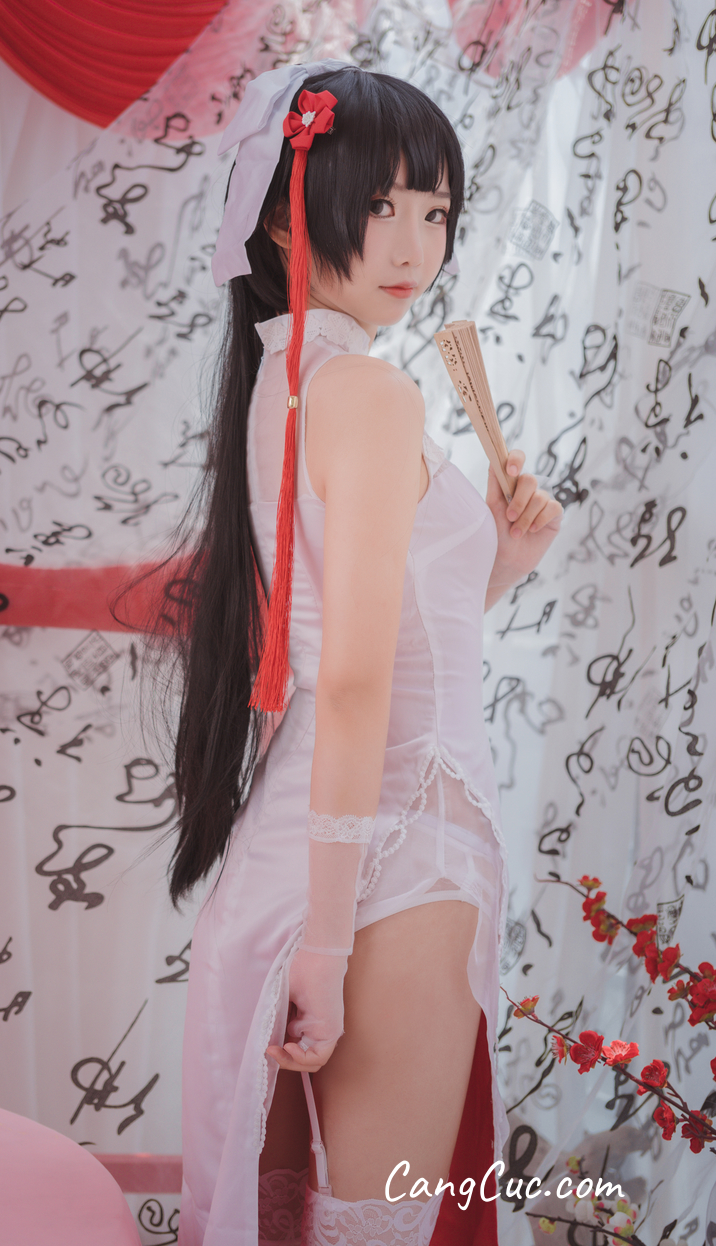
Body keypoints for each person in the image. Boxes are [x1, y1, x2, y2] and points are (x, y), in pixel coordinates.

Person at [160, 62, 563, 1246]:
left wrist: (496, 566)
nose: (412, 244)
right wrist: (330, 944)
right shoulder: (372, 397)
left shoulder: (286, 386)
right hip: (396, 853)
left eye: (435, 211)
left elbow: (366, 635)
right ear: (290, 218)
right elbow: (350, 679)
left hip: (302, 848)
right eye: (379, 204)